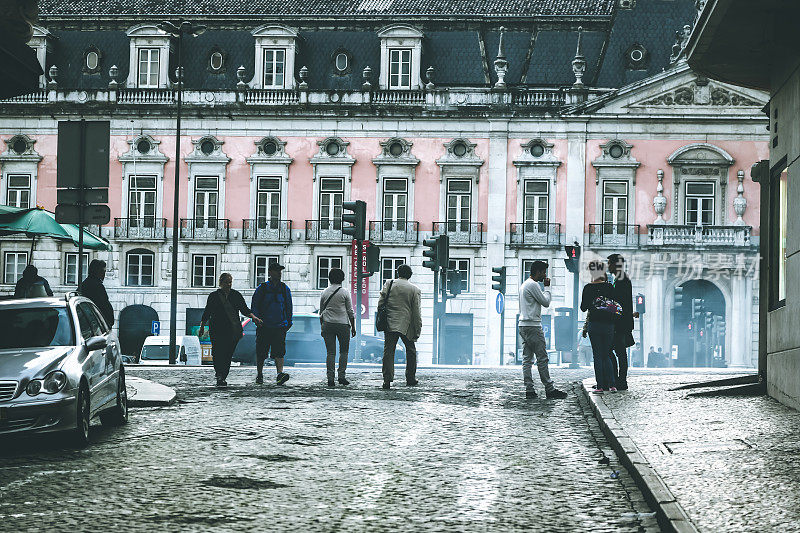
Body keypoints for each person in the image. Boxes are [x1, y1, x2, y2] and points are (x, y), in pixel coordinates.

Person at [199, 273, 262, 387]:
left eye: (230, 282)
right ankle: (220, 375)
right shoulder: (214, 296)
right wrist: (202, 326)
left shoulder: (236, 295)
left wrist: (254, 317)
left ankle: (223, 374)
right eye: (226, 282)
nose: (229, 284)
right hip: (217, 329)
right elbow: (207, 312)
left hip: (232, 329)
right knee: (217, 352)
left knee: (228, 353)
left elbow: (244, 309)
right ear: (221, 283)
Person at [518, 260, 567, 399]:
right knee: (542, 358)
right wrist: (547, 288)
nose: (544, 275)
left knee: (527, 359)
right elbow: (545, 302)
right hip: (533, 325)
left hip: (523, 325)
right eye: (543, 272)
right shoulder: (533, 285)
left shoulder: (524, 285)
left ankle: (529, 389)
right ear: (538, 272)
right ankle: (549, 389)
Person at [377, 263, 421, 390]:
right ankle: (410, 378)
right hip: (406, 324)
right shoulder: (414, 289)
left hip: (390, 323)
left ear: (398, 273)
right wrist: (417, 328)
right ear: (410, 275)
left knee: (389, 351)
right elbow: (416, 311)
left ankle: (387, 379)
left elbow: (380, 303)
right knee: (411, 351)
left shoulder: (389, 284)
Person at [251, 262, 293, 385]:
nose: (279, 273)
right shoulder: (262, 288)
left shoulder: (284, 289)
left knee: (279, 351)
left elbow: (289, 307)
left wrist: (288, 322)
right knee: (261, 352)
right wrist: (256, 320)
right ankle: (259, 374)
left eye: (280, 271)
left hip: (279, 326)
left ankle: (280, 374)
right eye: (276, 271)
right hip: (264, 325)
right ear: (270, 272)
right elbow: (255, 306)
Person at [580, 260, 618, 394]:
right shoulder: (609, 287)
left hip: (594, 324)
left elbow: (583, 308)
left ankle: (600, 386)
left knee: (597, 355)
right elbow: (615, 306)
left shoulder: (588, 288)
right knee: (607, 354)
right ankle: (612, 385)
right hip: (608, 325)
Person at [318, 268, 356, 387]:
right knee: (343, 352)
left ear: (329, 278)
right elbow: (350, 311)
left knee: (330, 353)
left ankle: (330, 378)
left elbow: (321, 311)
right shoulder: (344, 292)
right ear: (342, 278)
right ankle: (341, 376)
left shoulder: (324, 292)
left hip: (328, 324)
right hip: (343, 325)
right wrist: (353, 327)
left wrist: (322, 327)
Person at [607, 254, 639, 390]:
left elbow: (619, 302)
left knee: (617, 352)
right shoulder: (619, 279)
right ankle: (616, 380)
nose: (608, 266)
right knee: (616, 352)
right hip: (620, 321)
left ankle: (619, 381)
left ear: (616, 264)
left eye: (609, 263)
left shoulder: (621, 279)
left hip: (619, 323)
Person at [80, 259, 114, 327]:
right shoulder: (98, 286)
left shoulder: (84, 284)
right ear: (98, 272)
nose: (104, 275)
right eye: (103, 271)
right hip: (96, 323)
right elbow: (104, 305)